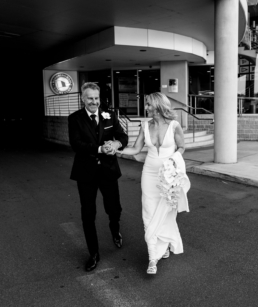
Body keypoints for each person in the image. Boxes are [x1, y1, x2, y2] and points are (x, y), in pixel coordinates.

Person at [117, 92, 190, 275]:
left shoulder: (174, 125)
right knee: (149, 212)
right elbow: (135, 149)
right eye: (146, 104)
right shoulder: (145, 125)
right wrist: (117, 150)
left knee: (166, 213)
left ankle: (163, 244)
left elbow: (181, 147)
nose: (146, 108)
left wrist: (174, 158)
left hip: (168, 175)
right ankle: (152, 258)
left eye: (149, 104)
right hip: (149, 174)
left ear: (158, 105)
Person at [68, 82, 128, 272]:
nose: (94, 102)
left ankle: (114, 229)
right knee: (88, 214)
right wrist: (101, 148)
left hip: (108, 170)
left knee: (114, 208)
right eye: (90, 98)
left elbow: (123, 136)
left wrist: (117, 144)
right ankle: (93, 253)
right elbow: (76, 144)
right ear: (83, 99)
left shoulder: (110, 115)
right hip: (85, 172)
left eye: (96, 98)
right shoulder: (74, 119)